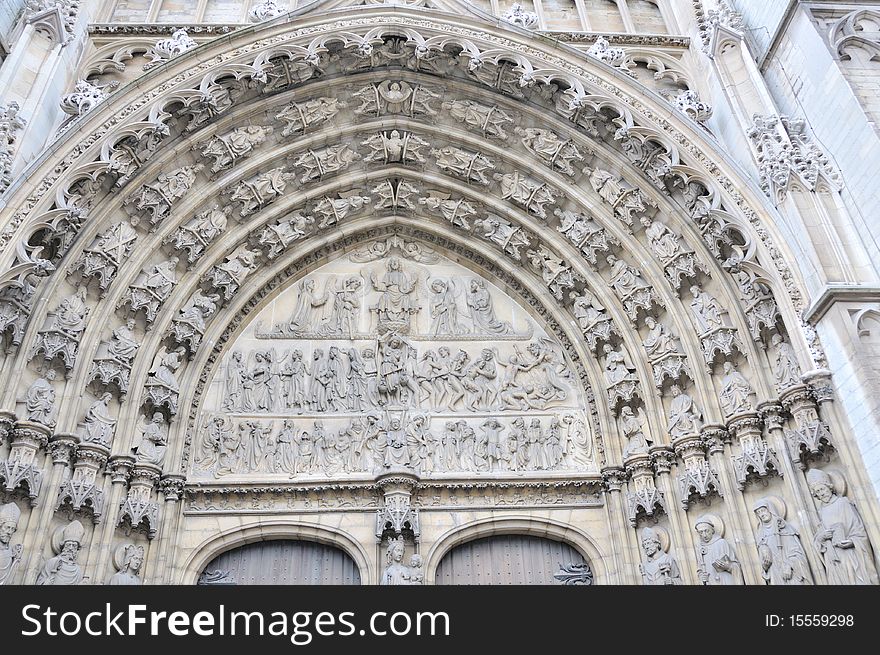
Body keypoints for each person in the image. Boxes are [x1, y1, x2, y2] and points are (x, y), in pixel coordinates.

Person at [808, 469, 879, 585]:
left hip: (850, 555)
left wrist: (852, 541)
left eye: (822, 489)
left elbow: (859, 530)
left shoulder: (843, 503)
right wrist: (821, 537)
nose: (821, 493)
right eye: (817, 492)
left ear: (829, 487)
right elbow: (817, 540)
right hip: (834, 562)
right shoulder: (820, 512)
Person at [753, 498, 813, 585]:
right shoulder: (761, 535)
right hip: (775, 574)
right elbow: (764, 564)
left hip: (790, 572)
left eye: (763, 510)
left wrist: (790, 565)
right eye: (758, 513)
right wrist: (765, 567)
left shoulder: (784, 528)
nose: (761, 514)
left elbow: (797, 552)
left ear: (770, 510)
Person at [694, 516, 743, 585]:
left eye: (706, 531)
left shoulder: (721, 543)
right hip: (710, 582)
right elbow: (700, 570)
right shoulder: (700, 549)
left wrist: (727, 566)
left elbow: (736, 566)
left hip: (725, 581)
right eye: (701, 532)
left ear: (712, 530)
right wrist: (702, 577)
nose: (704, 535)